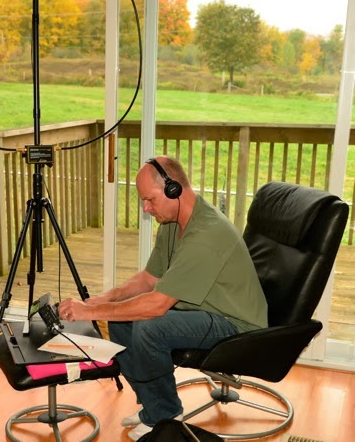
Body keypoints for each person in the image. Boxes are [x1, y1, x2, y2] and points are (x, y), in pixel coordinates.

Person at [58, 155, 268, 441]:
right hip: (204, 310)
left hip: (235, 324)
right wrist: (102, 301)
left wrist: (89, 313)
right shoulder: (173, 222)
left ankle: (166, 416)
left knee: (149, 326)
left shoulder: (206, 234)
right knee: (121, 319)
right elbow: (149, 278)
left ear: (174, 189)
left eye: (150, 200)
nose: (146, 208)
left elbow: (157, 305)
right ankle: (154, 408)